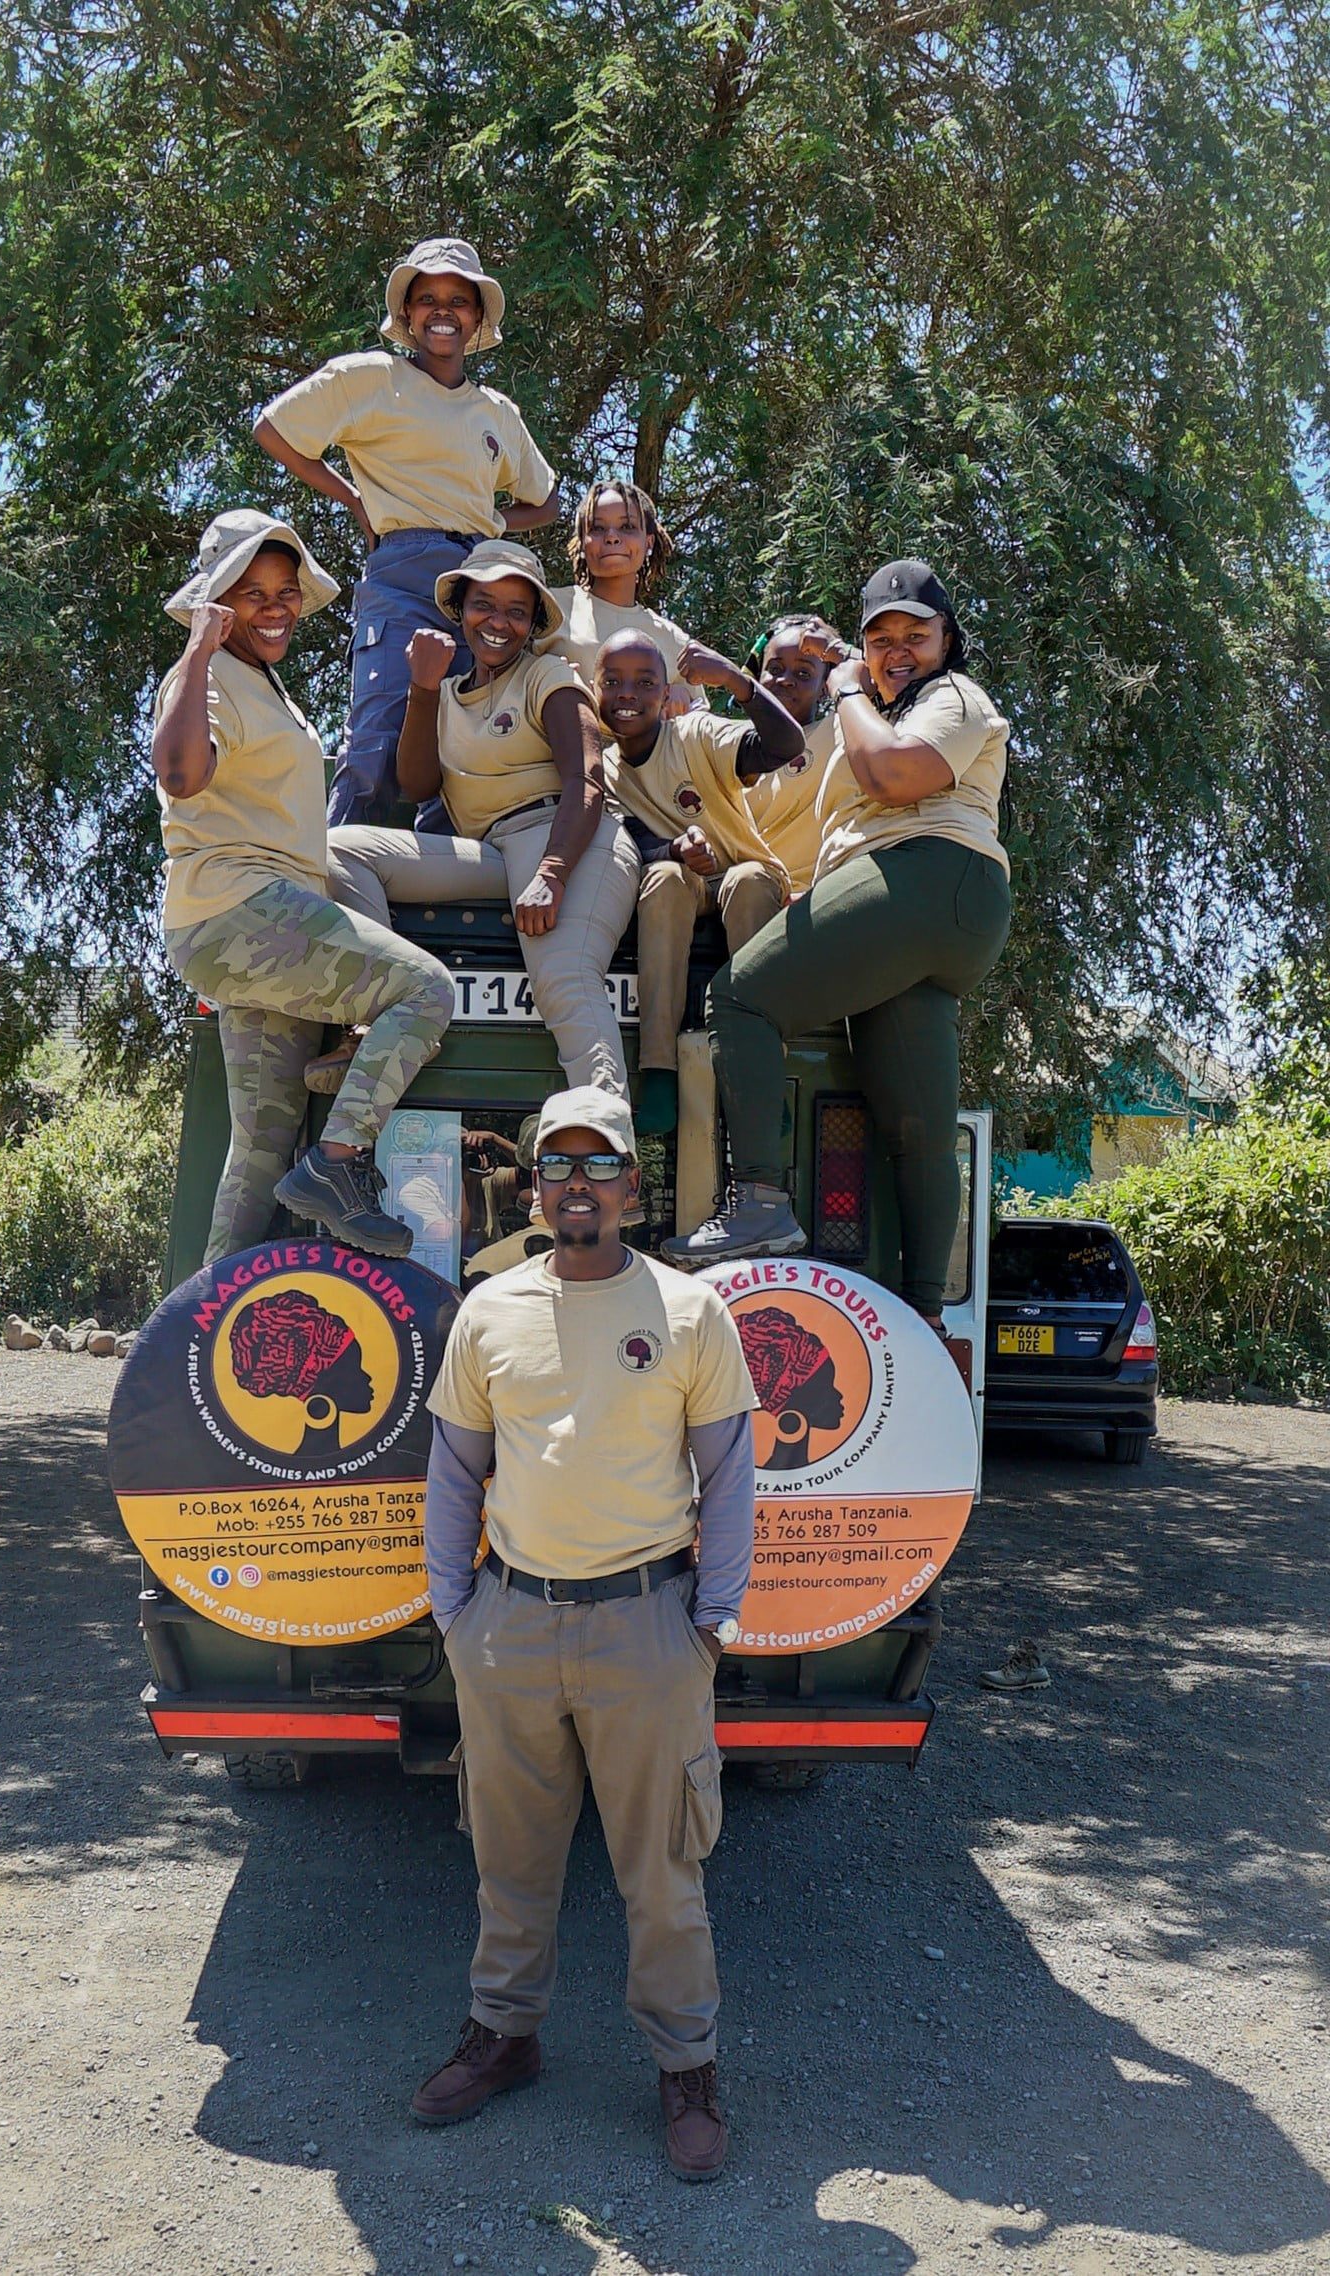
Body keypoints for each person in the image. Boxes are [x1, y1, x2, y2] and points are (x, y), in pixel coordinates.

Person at [414, 1085, 758, 2182]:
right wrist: (456, 1616)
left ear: (629, 1185)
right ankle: (503, 2036)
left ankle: (685, 2067)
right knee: (507, 1857)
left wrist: (705, 1622)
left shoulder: (689, 1310)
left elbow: (729, 1473)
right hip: (509, 1624)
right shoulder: (486, 1309)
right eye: (554, 1164)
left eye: (596, 1164)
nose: (575, 1182)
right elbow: (456, 1471)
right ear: (530, 1186)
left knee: (661, 1868)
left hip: (645, 1623)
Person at [663, 559, 1012, 1332]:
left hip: (930, 874)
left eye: (915, 636)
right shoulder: (878, 715)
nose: (896, 651)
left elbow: (892, 778)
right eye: (879, 637)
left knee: (741, 997)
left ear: (947, 640)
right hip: (932, 914)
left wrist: (848, 683)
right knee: (915, 1128)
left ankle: (757, 1199)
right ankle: (924, 1324)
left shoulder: (951, 696)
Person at [151, 509, 455, 1261]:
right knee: (425, 989)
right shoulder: (209, 674)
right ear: (214, 600)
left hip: (250, 930)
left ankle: (201, 1334)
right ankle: (339, 1165)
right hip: (240, 911)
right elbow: (182, 774)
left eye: (286, 590)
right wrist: (197, 645)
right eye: (252, 594)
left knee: (259, 1150)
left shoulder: (262, 681)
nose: (278, 606)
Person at [254, 238, 559, 828]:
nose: (442, 310)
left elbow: (544, 502)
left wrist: (490, 524)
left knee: (466, 745)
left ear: (477, 320)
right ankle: (339, 886)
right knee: (377, 735)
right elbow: (274, 429)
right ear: (407, 315)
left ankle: (443, 898)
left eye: (458, 300)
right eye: (427, 299)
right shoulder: (368, 378)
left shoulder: (497, 412)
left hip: (481, 586)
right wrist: (355, 500)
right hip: (402, 574)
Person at [326, 541, 640, 1097]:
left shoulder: (549, 677)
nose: (498, 622)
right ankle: (384, 1015)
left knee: (565, 981)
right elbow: (420, 785)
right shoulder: (444, 694)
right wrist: (422, 690)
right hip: (494, 852)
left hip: (571, 840)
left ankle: (607, 1145)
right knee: (340, 850)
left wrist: (552, 872)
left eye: (517, 611)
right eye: (484, 604)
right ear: (460, 608)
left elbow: (586, 782)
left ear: (533, 623)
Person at [593, 630, 803, 1134]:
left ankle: (760, 1073)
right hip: (681, 885)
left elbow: (785, 744)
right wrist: (674, 851)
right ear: (594, 689)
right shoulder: (600, 769)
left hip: (742, 875)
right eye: (614, 681)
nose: (628, 694)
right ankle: (660, 1072)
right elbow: (624, 846)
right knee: (663, 879)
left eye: (645, 683)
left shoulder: (695, 735)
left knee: (750, 882)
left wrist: (736, 680)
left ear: (666, 696)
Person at [546, 478, 703, 711]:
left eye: (627, 527)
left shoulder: (675, 641)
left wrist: (681, 699)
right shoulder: (549, 606)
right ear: (581, 543)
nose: (612, 537)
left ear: (648, 542)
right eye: (597, 528)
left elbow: (700, 722)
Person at [742, 614, 850, 895]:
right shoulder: (731, 743)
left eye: (803, 674)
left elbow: (878, 677)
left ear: (826, 686)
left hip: (809, 899)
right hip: (737, 895)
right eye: (775, 669)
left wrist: (839, 650)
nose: (786, 680)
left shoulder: (839, 731)